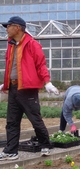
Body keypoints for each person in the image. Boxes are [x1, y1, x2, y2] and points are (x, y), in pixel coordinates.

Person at [0, 16, 59, 160]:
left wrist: (47, 82)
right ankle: (11, 151)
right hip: (14, 88)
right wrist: (6, 83)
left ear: (18, 28)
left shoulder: (32, 44)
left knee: (35, 119)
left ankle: (45, 144)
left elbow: (41, 64)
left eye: (8, 26)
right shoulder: (11, 45)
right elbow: (10, 67)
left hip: (28, 90)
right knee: (12, 121)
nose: (6, 29)